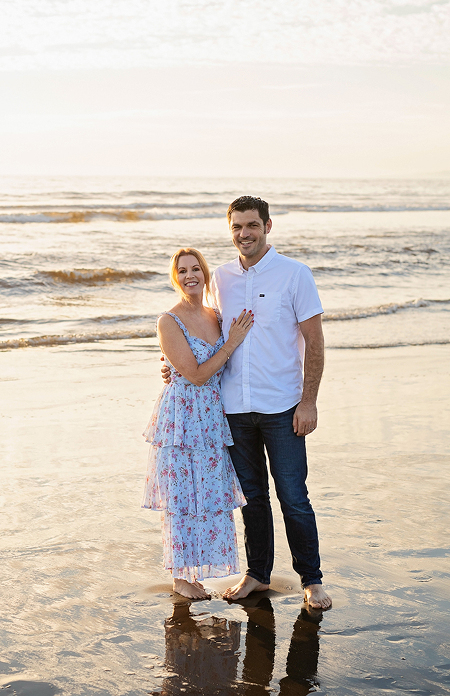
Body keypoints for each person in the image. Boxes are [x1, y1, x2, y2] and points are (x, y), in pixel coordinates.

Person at [162, 197, 332, 609]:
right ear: (230, 230)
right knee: (251, 498)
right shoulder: (220, 278)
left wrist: (308, 402)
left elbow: (314, 342)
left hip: (283, 406)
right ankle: (258, 574)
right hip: (233, 410)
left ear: (267, 226)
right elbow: (204, 334)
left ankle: (312, 579)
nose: (244, 234)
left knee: (293, 495)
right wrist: (172, 366)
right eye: (237, 227)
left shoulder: (295, 275)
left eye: (252, 225)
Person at [142, 247, 254, 600]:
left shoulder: (215, 315)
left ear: (205, 274)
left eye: (196, 269)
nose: (191, 275)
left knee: (206, 493)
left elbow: (213, 371)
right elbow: (195, 374)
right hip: (182, 420)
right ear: (175, 277)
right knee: (181, 496)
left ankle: (194, 573)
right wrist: (231, 343)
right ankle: (180, 576)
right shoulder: (168, 320)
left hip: (211, 417)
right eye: (183, 270)